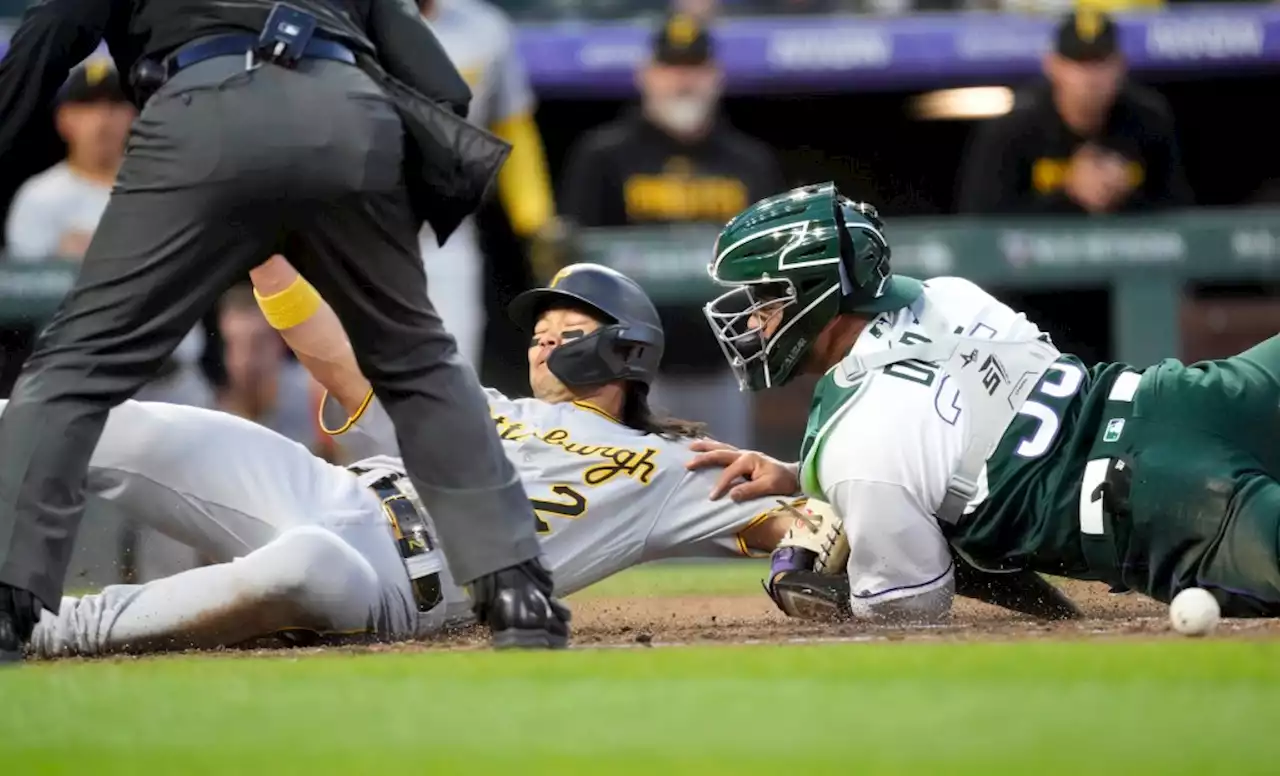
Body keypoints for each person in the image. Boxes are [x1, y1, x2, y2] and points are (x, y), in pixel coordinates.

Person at [0, 0, 567, 663]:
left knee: (75, 367)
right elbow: (440, 84)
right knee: (418, 361)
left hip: (203, 109)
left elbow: (46, 39)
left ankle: (10, 605)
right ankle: (519, 595)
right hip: (347, 112)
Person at [24, 261, 813, 658]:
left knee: (302, 566)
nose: (542, 337)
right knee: (119, 427)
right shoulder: (486, 407)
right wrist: (268, 261)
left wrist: (790, 483)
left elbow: (812, 534)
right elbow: (342, 365)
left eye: (565, 327)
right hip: (326, 487)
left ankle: (46, 632)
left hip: (393, 580)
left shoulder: (678, 463)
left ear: (627, 348)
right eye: (538, 329)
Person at [691, 182, 1280, 622]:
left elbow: (910, 603)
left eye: (766, 298)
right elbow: (954, 439)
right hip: (1185, 397)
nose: (754, 318)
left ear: (818, 295)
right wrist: (804, 478)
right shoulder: (950, 295)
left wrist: (820, 586)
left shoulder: (857, 449)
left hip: (1167, 507)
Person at [558, 12, 785, 452]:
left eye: (694, 69)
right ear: (647, 75)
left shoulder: (750, 161)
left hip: (724, 366)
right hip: (629, 371)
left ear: (715, 76)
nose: (683, 82)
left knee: (725, 492)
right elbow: (577, 267)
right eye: (671, 69)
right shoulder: (603, 156)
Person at [415, 0, 557, 368]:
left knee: (454, 366)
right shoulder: (350, 19)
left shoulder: (484, 29)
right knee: (354, 381)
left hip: (445, 228)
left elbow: (513, 128)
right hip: (363, 228)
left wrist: (536, 220)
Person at [957, 9, 1193, 215]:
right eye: (1078, 63)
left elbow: (1182, 214)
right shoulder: (1014, 126)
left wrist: (1125, 195)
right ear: (1052, 66)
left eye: (1099, 63)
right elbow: (981, 222)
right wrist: (1069, 192)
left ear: (1120, 66)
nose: (1089, 78)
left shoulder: (1148, 119)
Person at [216, 283, 324, 450]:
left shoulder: (317, 399)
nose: (246, 360)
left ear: (281, 343)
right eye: (233, 345)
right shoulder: (211, 409)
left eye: (258, 345)